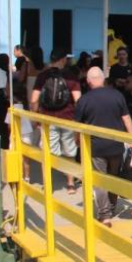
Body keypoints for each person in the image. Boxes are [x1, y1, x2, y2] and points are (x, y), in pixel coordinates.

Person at [74, 67, 132, 224]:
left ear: (88, 82)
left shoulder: (84, 100)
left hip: (96, 147)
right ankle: (112, 206)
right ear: (103, 79)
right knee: (113, 177)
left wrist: (77, 141)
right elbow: (126, 118)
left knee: (100, 180)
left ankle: (105, 214)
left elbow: (77, 126)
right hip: (116, 145)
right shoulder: (117, 95)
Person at [31, 49, 82, 187]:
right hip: (68, 119)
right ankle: (70, 183)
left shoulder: (42, 76)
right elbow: (78, 100)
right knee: (69, 152)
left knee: (47, 153)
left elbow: (34, 100)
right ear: (63, 59)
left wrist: (35, 118)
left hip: (47, 120)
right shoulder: (71, 76)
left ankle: (47, 184)